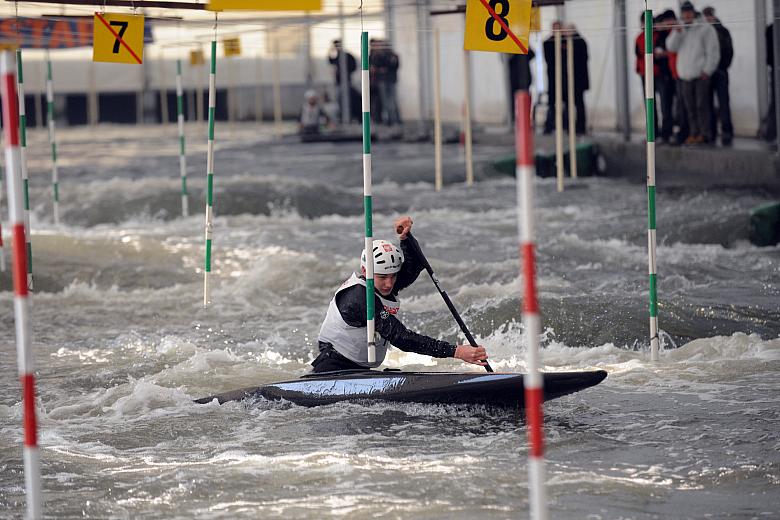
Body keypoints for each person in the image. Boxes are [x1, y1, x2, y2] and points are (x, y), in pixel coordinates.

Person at [312, 216, 489, 373]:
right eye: (383, 277)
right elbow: (400, 337)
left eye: (393, 276)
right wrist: (456, 352)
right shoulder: (358, 297)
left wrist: (405, 238)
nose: (389, 284)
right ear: (365, 271)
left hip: (359, 370)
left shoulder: (382, 283)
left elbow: (415, 265)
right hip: (332, 367)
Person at [666, 1, 720, 145]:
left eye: (689, 12)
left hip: (701, 74)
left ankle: (705, 134)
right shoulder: (680, 28)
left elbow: (713, 51)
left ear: (693, 12)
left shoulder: (705, 28)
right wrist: (677, 33)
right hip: (685, 75)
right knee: (689, 108)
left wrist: (707, 70)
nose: (687, 15)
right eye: (684, 13)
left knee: (702, 106)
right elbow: (671, 47)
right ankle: (694, 133)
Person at [703, 6, 734, 146]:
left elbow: (729, 50)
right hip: (707, 73)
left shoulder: (722, 31)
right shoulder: (703, 32)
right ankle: (712, 131)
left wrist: (722, 66)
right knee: (708, 103)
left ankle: (726, 131)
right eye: (706, 15)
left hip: (720, 72)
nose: (708, 18)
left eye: (710, 15)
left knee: (723, 102)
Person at [328, 39, 359, 123]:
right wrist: (331, 50)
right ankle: (343, 116)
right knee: (339, 100)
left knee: (348, 99)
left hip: (346, 82)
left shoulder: (347, 56)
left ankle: (349, 116)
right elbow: (330, 61)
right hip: (338, 82)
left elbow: (354, 67)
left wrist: (346, 71)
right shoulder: (337, 57)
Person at [507, 48, 535, 122]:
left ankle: (522, 119)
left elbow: (532, 54)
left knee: (521, 99)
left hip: (522, 80)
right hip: (519, 80)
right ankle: (518, 119)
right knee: (517, 99)